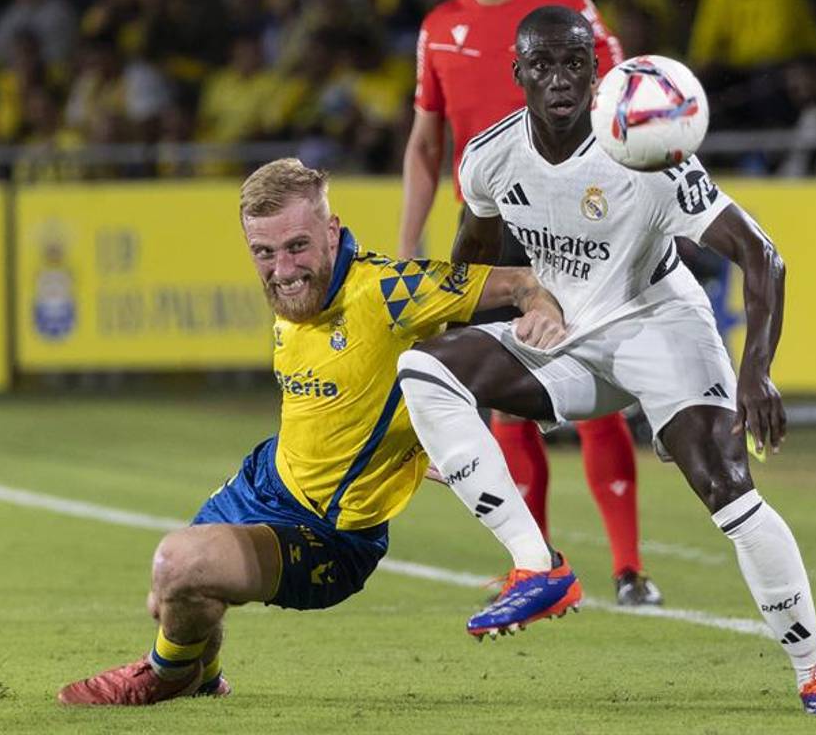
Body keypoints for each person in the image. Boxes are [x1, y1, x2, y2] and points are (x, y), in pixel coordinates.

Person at [395, 6, 816, 715]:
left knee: (728, 490)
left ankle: (815, 670)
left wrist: (755, 370)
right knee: (424, 369)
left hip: (658, 326)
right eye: (543, 65)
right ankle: (538, 566)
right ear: (517, 73)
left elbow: (762, 256)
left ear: (597, 71)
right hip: (566, 337)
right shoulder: (489, 157)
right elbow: (472, 259)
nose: (559, 80)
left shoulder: (646, 151)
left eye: (575, 64)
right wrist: (472, 348)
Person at [57, 157, 577, 706]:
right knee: (169, 599)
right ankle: (202, 676)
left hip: (331, 535)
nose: (282, 269)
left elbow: (521, 282)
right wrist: (410, 447)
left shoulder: (387, 292)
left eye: (297, 247)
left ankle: (166, 675)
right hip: (268, 479)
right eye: (264, 253)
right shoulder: (294, 295)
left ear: (332, 231)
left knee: (181, 565)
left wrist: (542, 309)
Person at [399, 0, 660, 606]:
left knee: (595, 387)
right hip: (489, 228)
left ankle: (630, 569)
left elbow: (625, 105)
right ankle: (539, 566)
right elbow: (427, 147)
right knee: (509, 401)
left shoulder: (566, 12)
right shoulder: (438, 26)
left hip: (571, 222)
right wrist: (408, 241)